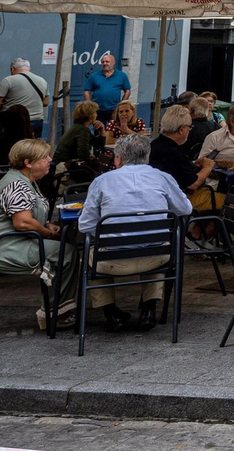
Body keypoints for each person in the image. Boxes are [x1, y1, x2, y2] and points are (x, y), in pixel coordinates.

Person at [77, 134, 192, 332]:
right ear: (147, 156)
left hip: (110, 262)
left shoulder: (102, 181)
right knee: (157, 241)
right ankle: (149, 309)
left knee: (89, 251)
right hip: (157, 259)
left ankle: (110, 312)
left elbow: (85, 226)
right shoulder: (163, 178)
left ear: (118, 159)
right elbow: (185, 209)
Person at [0, 138, 61, 311]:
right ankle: (57, 312)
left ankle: (57, 308)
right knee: (66, 253)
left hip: (9, 243)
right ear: (28, 162)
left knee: (64, 249)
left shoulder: (25, 180)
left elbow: (28, 214)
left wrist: (47, 223)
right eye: (44, 157)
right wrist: (47, 233)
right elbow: (23, 223)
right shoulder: (16, 184)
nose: (50, 160)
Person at [149, 105, 216, 211]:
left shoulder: (154, 144)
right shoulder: (174, 152)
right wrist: (207, 167)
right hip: (176, 200)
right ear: (181, 130)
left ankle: (199, 227)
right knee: (226, 201)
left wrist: (192, 165)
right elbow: (193, 184)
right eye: (189, 127)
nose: (190, 130)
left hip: (156, 197)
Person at [0, 57, 48, 137]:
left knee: (12, 147)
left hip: (12, 121)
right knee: (31, 148)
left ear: (12, 69)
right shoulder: (42, 80)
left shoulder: (8, 80)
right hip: (36, 120)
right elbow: (46, 102)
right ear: (29, 68)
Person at [53, 100, 106, 181]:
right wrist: (90, 155)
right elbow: (83, 153)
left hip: (62, 165)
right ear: (90, 115)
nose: (97, 115)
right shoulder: (82, 130)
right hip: (65, 168)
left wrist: (102, 130)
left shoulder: (78, 128)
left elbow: (98, 144)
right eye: (95, 112)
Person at [82, 52, 131, 123]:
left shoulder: (122, 75)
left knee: (114, 130)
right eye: (103, 62)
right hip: (98, 110)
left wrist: (122, 104)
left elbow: (127, 91)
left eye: (107, 61)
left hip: (114, 109)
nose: (105, 63)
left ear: (113, 62)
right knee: (98, 130)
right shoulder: (94, 76)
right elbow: (87, 91)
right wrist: (90, 106)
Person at [184, 96, 217, 161]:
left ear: (191, 110)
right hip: (210, 161)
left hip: (188, 162)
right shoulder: (216, 126)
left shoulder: (186, 127)